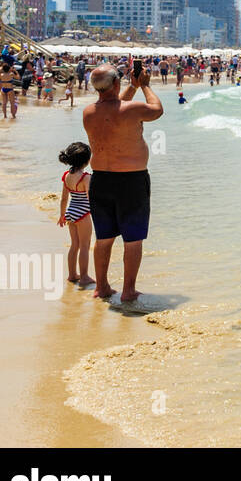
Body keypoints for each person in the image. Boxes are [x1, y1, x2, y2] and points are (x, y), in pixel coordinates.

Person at [82, 63, 163, 302]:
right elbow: (156, 110)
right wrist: (145, 85)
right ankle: (128, 291)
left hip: (101, 180)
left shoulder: (89, 112)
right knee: (133, 240)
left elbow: (115, 107)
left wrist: (131, 87)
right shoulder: (132, 109)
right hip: (131, 180)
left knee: (104, 238)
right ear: (116, 83)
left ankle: (102, 287)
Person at [57, 142, 94, 288]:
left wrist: (62, 215)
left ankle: (72, 274)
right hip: (83, 214)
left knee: (74, 245)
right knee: (85, 246)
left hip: (70, 213)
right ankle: (84, 276)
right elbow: (91, 199)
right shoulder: (85, 177)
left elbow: (64, 198)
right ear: (86, 161)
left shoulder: (66, 176)